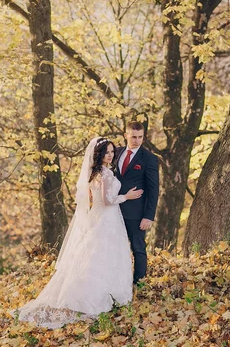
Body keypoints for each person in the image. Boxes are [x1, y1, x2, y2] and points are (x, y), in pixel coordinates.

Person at [13, 137, 143, 328]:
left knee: (96, 256)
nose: (110, 155)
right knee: (101, 255)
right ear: (98, 154)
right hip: (106, 217)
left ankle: (101, 292)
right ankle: (96, 297)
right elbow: (107, 200)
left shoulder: (97, 172)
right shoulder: (103, 174)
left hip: (102, 217)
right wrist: (127, 196)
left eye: (112, 152)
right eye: (107, 152)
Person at [115, 121, 159, 285]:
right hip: (114, 211)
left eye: (140, 137)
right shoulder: (117, 153)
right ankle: (118, 282)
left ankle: (139, 283)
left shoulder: (149, 158)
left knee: (138, 249)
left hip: (136, 214)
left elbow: (154, 190)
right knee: (115, 249)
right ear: (126, 135)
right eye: (133, 137)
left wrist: (148, 216)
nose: (137, 140)